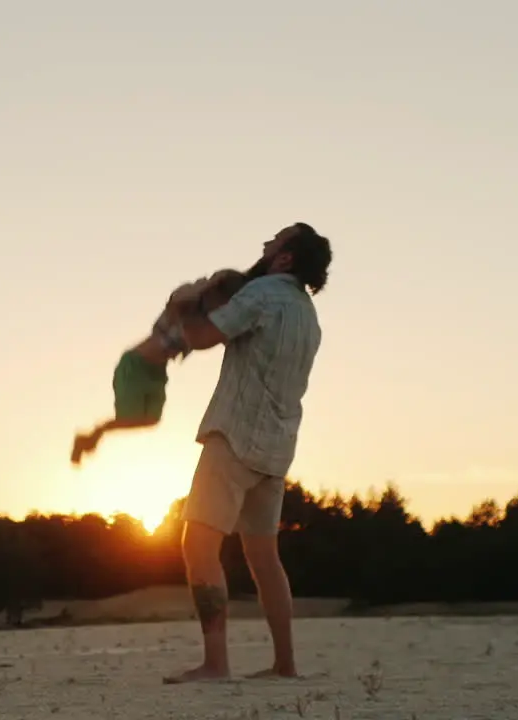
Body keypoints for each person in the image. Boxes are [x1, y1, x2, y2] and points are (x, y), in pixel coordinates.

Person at [162, 222, 332, 685]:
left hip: (234, 436)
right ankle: (285, 665)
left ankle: (216, 664)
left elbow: (203, 336)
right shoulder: (308, 316)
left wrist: (181, 310)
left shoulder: (263, 295)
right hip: (276, 450)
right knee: (264, 557)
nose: (264, 245)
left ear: (285, 259)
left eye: (274, 241)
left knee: (197, 545)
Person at [71, 269, 250, 466]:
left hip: (157, 372)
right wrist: (207, 286)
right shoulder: (190, 298)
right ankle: (93, 435)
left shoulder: (212, 320)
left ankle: (93, 436)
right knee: (129, 417)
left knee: (152, 420)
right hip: (136, 365)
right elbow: (178, 298)